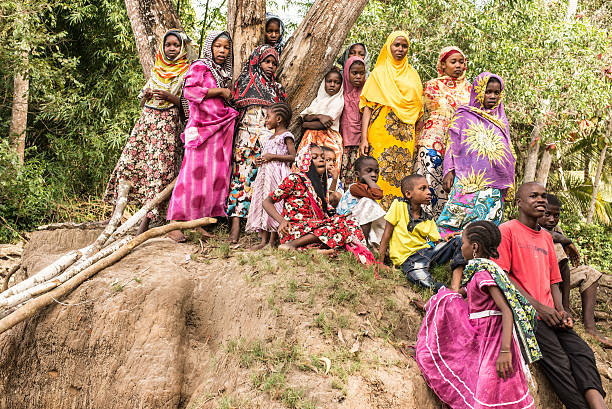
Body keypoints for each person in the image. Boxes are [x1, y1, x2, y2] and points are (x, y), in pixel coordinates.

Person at [495, 182, 607, 409]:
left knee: (583, 353)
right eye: (533, 195)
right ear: (519, 202)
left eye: (543, 196)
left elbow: (554, 281)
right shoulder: (507, 231)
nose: (541, 200)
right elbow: (503, 278)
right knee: (559, 363)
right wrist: (538, 307)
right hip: (527, 314)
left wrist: (560, 308)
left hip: (552, 314)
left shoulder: (546, 237)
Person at [416, 221, 538, 409]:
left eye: (462, 243)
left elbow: (506, 310)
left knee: (490, 388)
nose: (461, 248)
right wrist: (431, 303)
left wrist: (505, 351)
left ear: (474, 247)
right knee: (491, 389)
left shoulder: (483, 273)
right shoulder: (484, 271)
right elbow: (461, 294)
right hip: (485, 336)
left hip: (494, 340)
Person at [104, 29, 195, 235]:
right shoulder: (158, 68)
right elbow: (143, 99)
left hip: (166, 127)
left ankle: (146, 224)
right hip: (145, 124)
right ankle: (114, 217)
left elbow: (188, 105)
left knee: (158, 172)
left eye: (176, 45)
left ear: (182, 49)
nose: (172, 48)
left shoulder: (186, 71)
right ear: (163, 47)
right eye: (168, 45)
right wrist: (146, 94)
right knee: (128, 163)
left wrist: (170, 97)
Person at [166, 31, 238, 241]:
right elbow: (190, 91)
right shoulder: (200, 66)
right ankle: (174, 224)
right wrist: (221, 92)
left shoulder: (222, 73)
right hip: (200, 128)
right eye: (218, 46)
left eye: (226, 47)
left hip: (218, 130)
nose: (222, 51)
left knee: (210, 178)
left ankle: (197, 222)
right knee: (190, 175)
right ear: (209, 47)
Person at [437, 72, 515, 238]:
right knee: (456, 216)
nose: (493, 96)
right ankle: (445, 249)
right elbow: (452, 144)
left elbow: (506, 148)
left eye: (496, 92)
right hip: (467, 178)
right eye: (488, 91)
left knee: (487, 223)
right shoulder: (463, 115)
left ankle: (480, 254)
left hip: (495, 182)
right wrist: (448, 170)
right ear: (478, 91)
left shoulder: (501, 119)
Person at [227, 45, 286, 244]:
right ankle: (235, 225)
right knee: (240, 179)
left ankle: (260, 226)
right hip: (245, 139)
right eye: (266, 61)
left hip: (267, 143)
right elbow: (233, 108)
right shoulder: (244, 81)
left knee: (263, 182)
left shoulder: (277, 88)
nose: (270, 66)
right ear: (257, 61)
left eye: (273, 63)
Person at [359, 31, 423, 209]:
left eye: (404, 46)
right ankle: (374, 222)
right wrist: (364, 138)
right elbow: (368, 108)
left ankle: (395, 222)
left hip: (405, 138)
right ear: (388, 46)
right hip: (380, 134)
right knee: (377, 175)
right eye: (397, 45)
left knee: (401, 178)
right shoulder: (378, 73)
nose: (400, 49)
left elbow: (419, 111)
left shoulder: (413, 75)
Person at [538, 194, 612, 347]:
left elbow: (556, 239)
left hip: (559, 281)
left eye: (556, 215)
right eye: (547, 214)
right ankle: (565, 307)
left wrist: (564, 240)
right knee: (558, 250)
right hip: (541, 281)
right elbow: (548, 238)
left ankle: (590, 328)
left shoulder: (556, 228)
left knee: (590, 273)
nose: (552, 219)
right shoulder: (532, 227)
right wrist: (568, 241)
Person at [262, 144, 366, 252]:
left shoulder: (319, 184)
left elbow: (326, 210)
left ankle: (315, 250)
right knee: (338, 225)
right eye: (315, 157)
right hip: (295, 230)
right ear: (305, 161)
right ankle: (291, 245)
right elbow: (267, 202)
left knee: (351, 223)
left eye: (322, 157)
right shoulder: (294, 178)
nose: (321, 160)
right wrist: (282, 221)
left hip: (314, 229)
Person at [378, 174, 464, 289]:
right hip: (409, 259)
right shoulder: (398, 206)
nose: (429, 192)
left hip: (428, 252)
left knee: (458, 240)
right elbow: (386, 234)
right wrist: (380, 262)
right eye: (423, 188)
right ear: (408, 194)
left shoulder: (428, 218)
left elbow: (437, 242)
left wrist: (447, 239)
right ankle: (445, 292)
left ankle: (456, 285)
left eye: (428, 188)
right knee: (423, 280)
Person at [414, 46, 471, 217]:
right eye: (453, 62)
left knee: (452, 188)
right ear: (443, 65)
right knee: (427, 184)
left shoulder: (471, 89)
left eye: (461, 62)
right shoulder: (430, 86)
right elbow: (420, 115)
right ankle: (423, 226)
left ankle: (446, 231)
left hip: (459, 146)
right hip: (432, 141)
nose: (458, 65)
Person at [245, 103, 296, 250]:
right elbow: (266, 156)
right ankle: (263, 240)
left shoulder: (287, 136)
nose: (265, 120)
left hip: (278, 174)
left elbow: (293, 157)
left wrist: (272, 157)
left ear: (279, 118)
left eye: (268, 117)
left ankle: (273, 240)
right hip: (266, 174)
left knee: (276, 204)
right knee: (263, 202)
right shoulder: (269, 137)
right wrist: (260, 160)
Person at [297, 68, 345, 175]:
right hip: (310, 137)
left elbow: (322, 125)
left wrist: (307, 124)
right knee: (306, 166)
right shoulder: (318, 100)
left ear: (341, 86)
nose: (332, 85)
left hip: (329, 138)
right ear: (324, 83)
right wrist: (320, 116)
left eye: (337, 83)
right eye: (329, 81)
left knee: (327, 171)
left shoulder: (338, 102)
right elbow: (305, 117)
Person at [336, 156, 386, 247]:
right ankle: (363, 243)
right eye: (369, 171)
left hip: (355, 221)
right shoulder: (355, 187)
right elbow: (378, 194)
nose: (374, 174)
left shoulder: (367, 188)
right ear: (357, 174)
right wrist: (368, 179)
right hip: (345, 222)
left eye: (376, 172)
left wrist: (368, 178)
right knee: (368, 203)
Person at [339, 56, 367, 187]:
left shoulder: (366, 93)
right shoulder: (340, 91)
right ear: (347, 73)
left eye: (362, 73)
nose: (358, 76)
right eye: (354, 73)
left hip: (360, 143)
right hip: (343, 142)